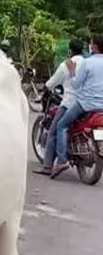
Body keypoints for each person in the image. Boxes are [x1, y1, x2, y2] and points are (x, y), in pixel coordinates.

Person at [49, 34, 103, 178]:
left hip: (85, 104)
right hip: (101, 106)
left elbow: (76, 84)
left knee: (61, 125)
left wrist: (72, 72)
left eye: (91, 43)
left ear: (94, 46)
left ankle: (61, 160)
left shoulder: (87, 62)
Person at [33, 39, 85, 175]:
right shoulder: (87, 63)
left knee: (54, 130)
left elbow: (52, 83)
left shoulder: (67, 65)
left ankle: (49, 165)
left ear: (70, 51)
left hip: (69, 102)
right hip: (86, 102)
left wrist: (44, 88)